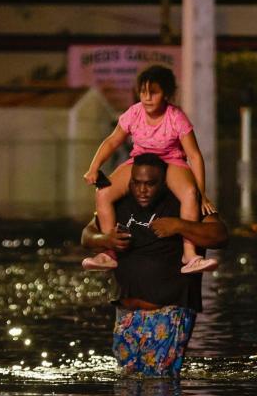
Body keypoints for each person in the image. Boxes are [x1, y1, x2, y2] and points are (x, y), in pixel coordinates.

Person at [81, 153, 228, 377]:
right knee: (127, 382)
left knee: (159, 384)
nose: (142, 190)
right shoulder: (119, 202)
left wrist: (179, 226)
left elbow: (219, 235)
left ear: (164, 183)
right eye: (137, 183)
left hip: (169, 311)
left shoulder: (185, 202)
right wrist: (105, 240)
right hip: (126, 313)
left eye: (150, 184)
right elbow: (87, 234)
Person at [82, 65, 217, 273]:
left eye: (153, 92)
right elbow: (111, 141)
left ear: (166, 93)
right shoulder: (134, 113)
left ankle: (189, 254)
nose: (147, 97)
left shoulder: (176, 117)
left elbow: (194, 155)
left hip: (170, 161)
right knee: (103, 193)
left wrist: (202, 193)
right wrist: (94, 167)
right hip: (140, 161)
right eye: (143, 92)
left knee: (190, 194)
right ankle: (108, 253)